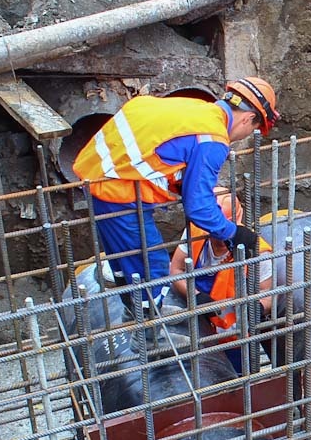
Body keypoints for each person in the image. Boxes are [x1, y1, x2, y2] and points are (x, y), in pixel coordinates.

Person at [72, 77, 279, 307]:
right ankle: (148, 335)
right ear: (249, 119)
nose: (244, 137)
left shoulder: (195, 110)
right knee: (154, 268)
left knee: (126, 265)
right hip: (118, 191)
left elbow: (163, 153)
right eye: (252, 130)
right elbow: (199, 208)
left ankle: (133, 312)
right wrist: (233, 233)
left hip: (98, 175)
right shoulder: (213, 139)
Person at [168, 188, 274, 343]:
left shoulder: (257, 252)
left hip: (232, 332)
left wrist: (257, 309)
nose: (219, 237)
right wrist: (196, 297)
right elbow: (176, 269)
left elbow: (269, 295)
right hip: (193, 314)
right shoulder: (195, 230)